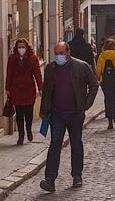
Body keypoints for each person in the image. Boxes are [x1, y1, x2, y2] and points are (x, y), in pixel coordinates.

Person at [39, 42, 99, 192]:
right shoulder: (50, 69)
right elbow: (47, 91)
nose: (59, 56)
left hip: (75, 113)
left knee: (76, 144)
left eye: (61, 53)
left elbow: (94, 85)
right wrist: (44, 110)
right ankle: (50, 180)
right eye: (56, 53)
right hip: (57, 114)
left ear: (68, 52)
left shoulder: (81, 66)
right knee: (55, 144)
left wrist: (86, 104)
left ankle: (77, 175)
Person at [5, 38, 43, 145]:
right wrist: (7, 88)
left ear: (27, 47)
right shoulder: (12, 59)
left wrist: (40, 88)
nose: (21, 49)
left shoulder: (32, 58)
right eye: (19, 47)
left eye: (23, 47)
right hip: (16, 89)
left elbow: (37, 74)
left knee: (29, 113)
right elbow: (9, 74)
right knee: (19, 114)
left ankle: (29, 130)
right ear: (16, 48)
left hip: (29, 90)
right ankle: (21, 135)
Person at [95, 39, 115, 129]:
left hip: (105, 81)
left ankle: (110, 121)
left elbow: (97, 70)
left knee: (108, 99)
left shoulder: (101, 56)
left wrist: (99, 77)